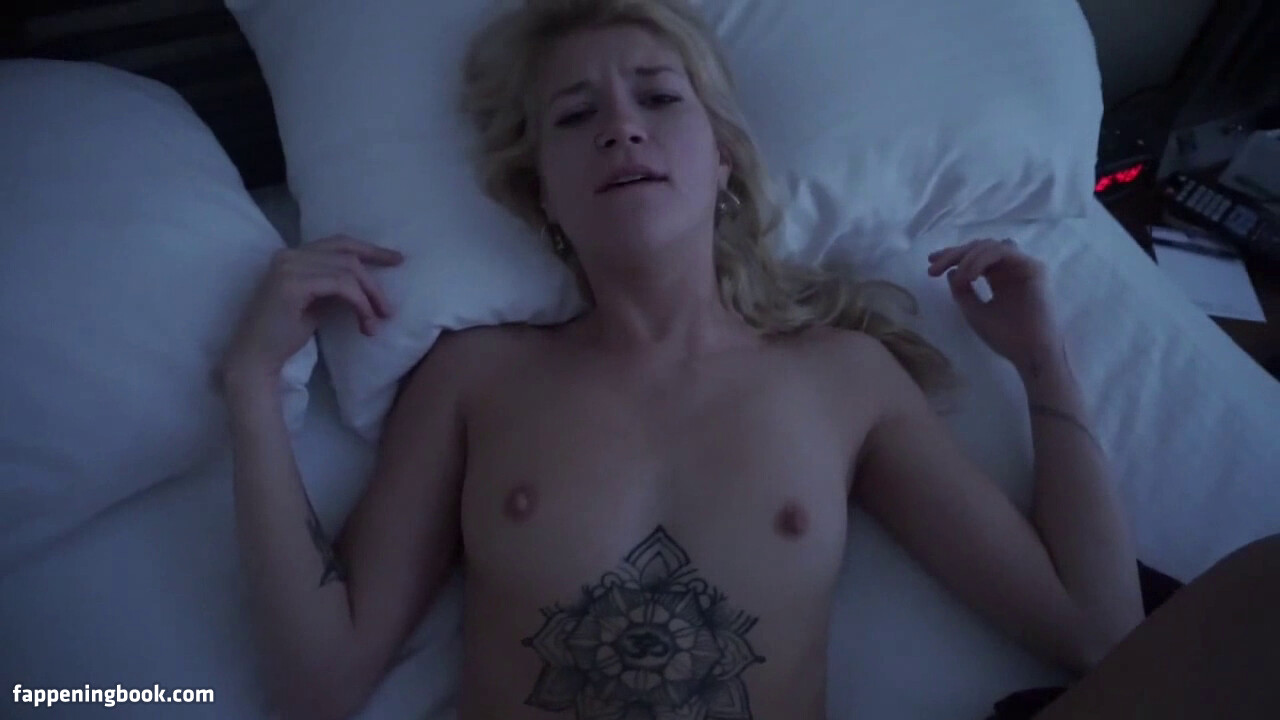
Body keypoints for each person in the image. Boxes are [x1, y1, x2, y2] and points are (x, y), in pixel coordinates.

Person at [217, 1, 1279, 719]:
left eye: (657, 97)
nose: (621, 129)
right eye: (575, 116)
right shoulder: (477, 380)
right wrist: (254, 392)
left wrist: (1044, 363)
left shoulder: (840, 377)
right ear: (539, 189)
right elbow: (321, 681)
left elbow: (1095, 631)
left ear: (722, 154)